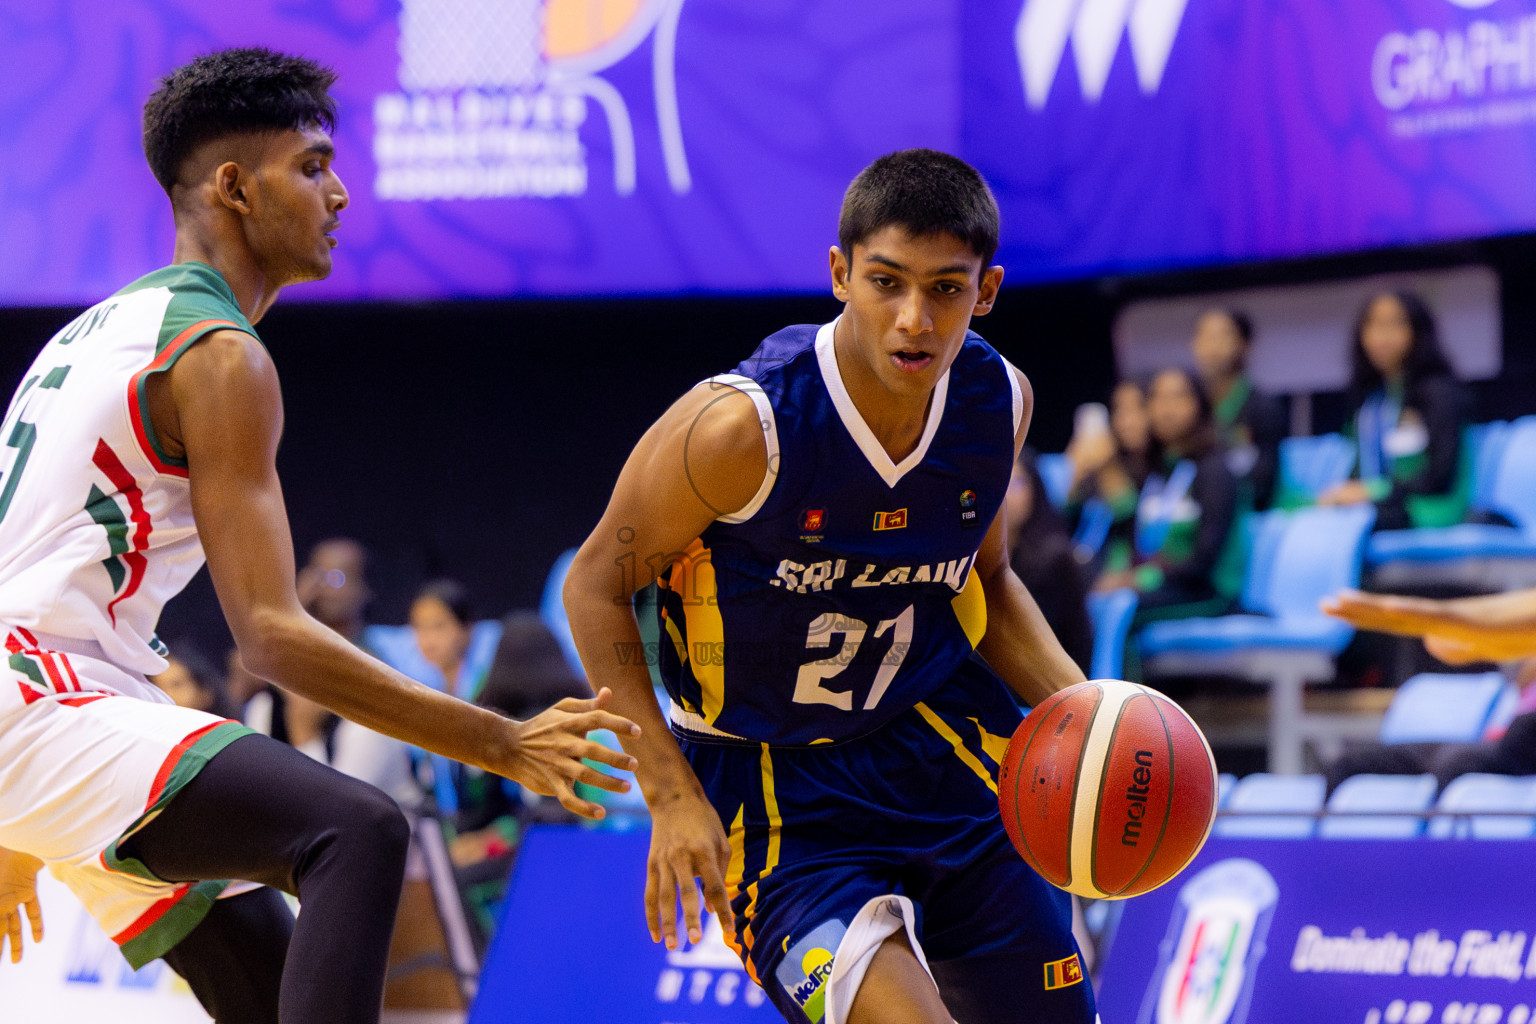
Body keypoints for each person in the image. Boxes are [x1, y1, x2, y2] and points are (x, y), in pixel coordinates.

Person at [0, 49, 637, 1023]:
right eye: (312, 166)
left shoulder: (96, 330)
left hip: (60, 703)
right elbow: (268, 635)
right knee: (356, 829)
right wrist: (499, 740)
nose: (340, 193)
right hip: (48, 699)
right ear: (233, 187)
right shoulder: (216, 354)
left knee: (270, 984)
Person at [565, 149, 1096, 1024]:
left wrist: (1092, 717)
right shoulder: (739, 427)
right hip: (769, 790)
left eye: (946, 289)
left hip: (940, 750)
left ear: (987, 290)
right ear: (841, 274)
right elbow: (593, 586)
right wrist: (668, 793)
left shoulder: (997, 402)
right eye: (887, 282)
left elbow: (988, 579)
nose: (913, 320)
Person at [1096, 368, 1239, 622]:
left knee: (1120, 609)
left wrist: (1140, 578)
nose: (1166, 408)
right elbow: (1133, 542)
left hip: (1207, 592)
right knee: (1090, 601)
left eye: (1178, 397)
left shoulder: (1214, 470)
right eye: (1157, 398)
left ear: (1200, 405)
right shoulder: (1154, 471)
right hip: (1159, 585)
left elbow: (1204, 560)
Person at [1318, 291, 1469, 531]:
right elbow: (1358, 474)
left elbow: (1440, 476)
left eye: (1394, 324)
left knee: (1346, 527)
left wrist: (1373, 491)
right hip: (1383, 505)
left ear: (1418, 331)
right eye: (1373, 325)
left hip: (1429, 508)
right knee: (1318, 517)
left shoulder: (1439, 393)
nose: (1381, 336)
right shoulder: (1371, 402)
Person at [1007, 448, 1094, 675]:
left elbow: (1073, 643)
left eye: (1017, 484)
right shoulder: (971, 559)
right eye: (999, 481)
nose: (1006, 494)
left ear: (1035, 490)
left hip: (1045, 678)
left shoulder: (1055, 557)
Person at [1189, 308, 1284, 511]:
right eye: (1204, 336)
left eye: (1221, 336)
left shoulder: (1263, 408)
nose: (1211, 347)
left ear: (1243, 344)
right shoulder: (1190, 407)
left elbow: (1264, 481)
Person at [1062, 378, 1149, 580]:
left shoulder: (1159, 465)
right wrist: (1075, 477)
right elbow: (1066, 526)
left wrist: (1107, 470)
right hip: (1093, 570)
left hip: (1136, 577)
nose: (1128, 422)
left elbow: (1134, 528)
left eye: (1137, 408)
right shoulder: (1107, 462)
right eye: (1120, 410)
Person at [152, 644, 240, 720]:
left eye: (176, 685)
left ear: (204, 694)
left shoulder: (233, 736)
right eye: (155, 686)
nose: (164, 694)